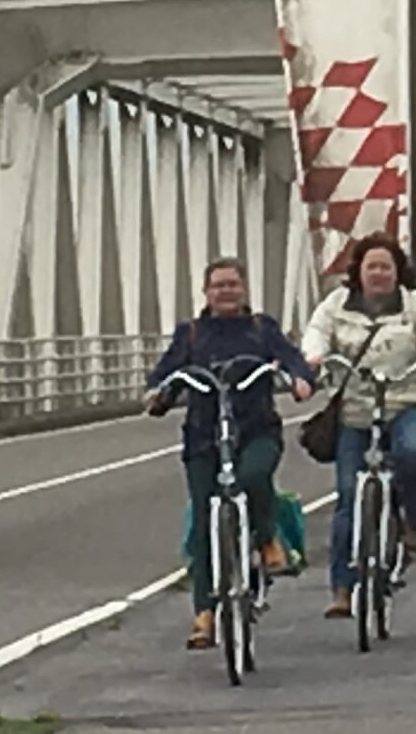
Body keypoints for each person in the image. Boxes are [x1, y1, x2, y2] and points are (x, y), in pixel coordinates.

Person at [144, 256, 315, 650]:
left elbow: (290, 358)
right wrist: (158, 393)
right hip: (205, 437)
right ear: (206, 292)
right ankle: (203, 613)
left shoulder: (261, 328)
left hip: (255, 429)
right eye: (218, 285)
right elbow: (167, 372)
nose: (225, 291)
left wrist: (300, 378)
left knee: (253, 477)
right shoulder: (191, 334)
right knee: (205, 521)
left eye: (232, 284)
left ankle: (268, 538)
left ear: (243, 289)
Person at [300, 232, 416, 620]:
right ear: (358, 271)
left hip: (405, 400)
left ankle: (413, 521)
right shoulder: (336, 306)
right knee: (346, 496)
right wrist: (313, 357)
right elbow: (317, 333)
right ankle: (342, 588)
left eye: (385, 267)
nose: (378, 274)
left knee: (413, 450)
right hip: (357, 410)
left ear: (397, 272)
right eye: (371, 266)